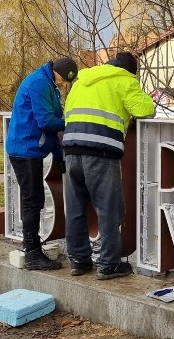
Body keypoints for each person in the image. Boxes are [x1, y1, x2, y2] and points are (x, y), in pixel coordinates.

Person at [62, 52, 155, 279]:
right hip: (101, 151)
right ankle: (109, 264)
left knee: (75, 208)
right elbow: (146, 109)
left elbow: (67, 113)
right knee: (109, 208)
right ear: (130, 70)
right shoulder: (124, 80)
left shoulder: (82, 81)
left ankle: (79, 260)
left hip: (72, 148)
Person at [6, 57, 78, 270]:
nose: (64, 85)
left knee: (33, 199)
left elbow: (50, 129)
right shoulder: (39, 83)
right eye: (64, 80)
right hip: (25, 149)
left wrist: (58, 155)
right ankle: (32, 253)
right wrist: (73, 121)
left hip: (31, 148)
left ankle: (31, 245)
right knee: (33, 200)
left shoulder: (48, 83)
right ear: (58, 72)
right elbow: (46, 121)